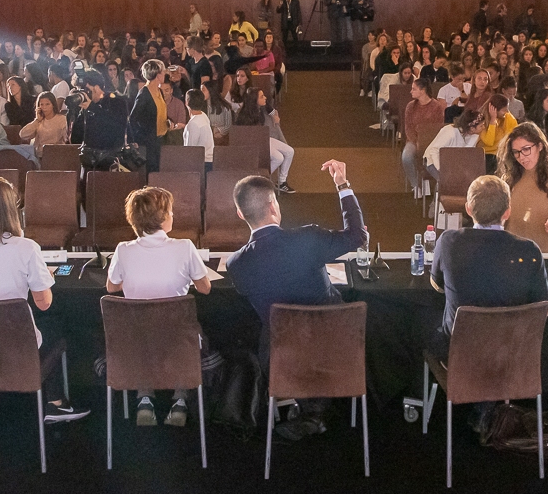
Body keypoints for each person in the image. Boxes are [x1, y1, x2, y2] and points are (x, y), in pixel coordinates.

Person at [227, 161, 366, 441]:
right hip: (334, 351)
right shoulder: (308, 238)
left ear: (241, 214)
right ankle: (315, 411)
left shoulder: (236, 264)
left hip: (281, 359)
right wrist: (342, 185)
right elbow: (357, 236)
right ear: (274, 207)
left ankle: (308, 410)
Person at [0, 177, 89, 425]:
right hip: (18, 350)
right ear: (11, 210)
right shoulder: (26, 248)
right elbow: (44, 303)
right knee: (53, 323)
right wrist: (43, 277)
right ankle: (56, 404)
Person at [107, 186, 212, 426]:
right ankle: (180, 401)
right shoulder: (185, 247)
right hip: (177, 341)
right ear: (163, 218)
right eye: (171, 211)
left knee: (143, 334)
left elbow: (112, 288)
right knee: (184, 335)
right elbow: (205, 288)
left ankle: (144, 399)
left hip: (136, 342)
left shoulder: (123, 250)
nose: (173, 215)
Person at [428, 174, 548, 376]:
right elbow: (543, 308)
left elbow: (437, 286)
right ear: (507, 212)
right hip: (512, 358)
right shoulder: (530, 251)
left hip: (460, 357)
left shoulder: (448, 242)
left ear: (468, 208)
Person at [496, 122, 548, 254]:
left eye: (526, 149)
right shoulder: (509, 178)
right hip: (512, 254)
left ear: (540, 146)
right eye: (516, 152)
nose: (521, 157)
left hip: (546, 257)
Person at [235, 90, 296, 193]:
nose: (265, 98)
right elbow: (244, 135)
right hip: (254, 143)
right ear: (255, 100)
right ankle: (261, 180)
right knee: (278, 158)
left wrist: (274, 118)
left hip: (263, 138)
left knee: (290, 151)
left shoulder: (262, 109)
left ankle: (281, 182)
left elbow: (272, 111)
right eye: (262, 96)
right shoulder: (245, 115)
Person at [401, 78, 447, 193]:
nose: (411, 91)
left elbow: (439, 127)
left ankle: (430, 183)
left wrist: (426, 142)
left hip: (432, 141)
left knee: (432, 155)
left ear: (422, 90)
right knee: (406, 157)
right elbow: (408, 128)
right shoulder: (410, 106)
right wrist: (416, 142)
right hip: (414, 140)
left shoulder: (436, 106)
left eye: (413, 89)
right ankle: (415, 184)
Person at [73, 70, 128, 156]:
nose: (83, 94)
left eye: (86, 90)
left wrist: (92, 108)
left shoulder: (116, 101)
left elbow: (117, 127)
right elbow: (75, 139)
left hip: (111, 158)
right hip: (88, 159)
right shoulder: (85, 107)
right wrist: (74, 111)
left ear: (96, 88)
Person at [128, 59, 168, 174]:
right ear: (157, 75)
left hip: (161, 140)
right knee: (151, 172)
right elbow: (133, 119)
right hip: (150, 143)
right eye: (163, 72)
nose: (165, 74)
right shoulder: (144, 93)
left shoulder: (159, 91)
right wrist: (142, 136)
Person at [423, 110, 483, 181]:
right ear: (472, 128)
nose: (484, 127)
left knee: (469, 180)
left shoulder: (474, 136)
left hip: (453, 164)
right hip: (433, 161)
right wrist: (441, 169)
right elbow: (434, 151)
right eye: (481, 126)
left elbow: (467, 155)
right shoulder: (450, 132)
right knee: (447, 182)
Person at [19, 91, 67, 160]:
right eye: (42, 104)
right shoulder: (39, 121)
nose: (44, 107)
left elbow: (66, 140)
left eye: (47, 104)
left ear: (53, 105)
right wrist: (37, 120)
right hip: (39, 156)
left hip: (56, 156)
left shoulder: (62, 119)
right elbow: (23, 135)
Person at [477, 94, 518, 173]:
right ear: (494, 109)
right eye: (503, 110)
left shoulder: (509, 118)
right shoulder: (481, 120)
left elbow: (514, 136)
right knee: (492, 161)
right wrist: (493, 121)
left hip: (502, 153)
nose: (506, 112)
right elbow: (489, 142)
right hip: (486, 154)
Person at [182, 89, 214, 170]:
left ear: (186, 102)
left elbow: (190, 151)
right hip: (210, 161)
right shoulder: (203, 115)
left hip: (201, 164)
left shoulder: (193, 124)